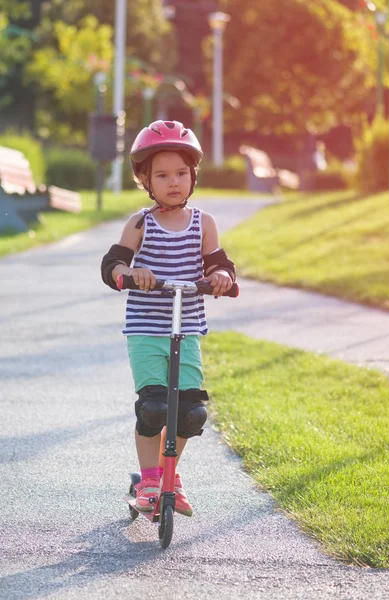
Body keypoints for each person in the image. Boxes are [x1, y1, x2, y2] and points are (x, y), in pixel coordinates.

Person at [101, 120, 236, 516]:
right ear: (145, 179)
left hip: (187, 329)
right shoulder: (140, 223)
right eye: (162, 175)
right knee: (155, 408)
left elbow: (219, 264)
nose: (172, 182)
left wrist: (222, 277)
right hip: (147, 330)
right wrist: (128, 274)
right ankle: (147, 480)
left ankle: (169, 476)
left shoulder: (203, 223)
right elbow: (114, 262)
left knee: (191, 414)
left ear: (193, 176)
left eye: (180, 173)